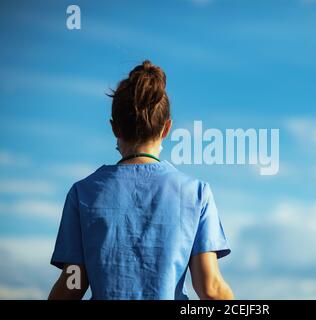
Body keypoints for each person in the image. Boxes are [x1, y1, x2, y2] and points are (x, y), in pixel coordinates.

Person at [48, 60, 234, 300]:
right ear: (166, 128)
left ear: (115, 128)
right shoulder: (196, 193)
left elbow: (73, 284)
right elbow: (210, 288)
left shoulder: (83, 193)